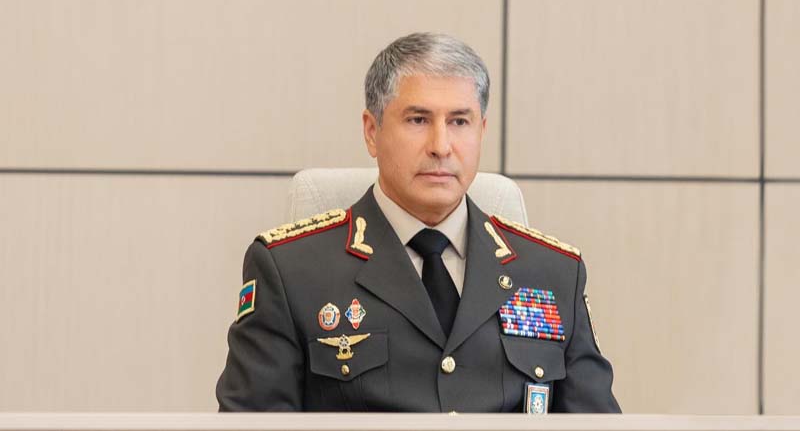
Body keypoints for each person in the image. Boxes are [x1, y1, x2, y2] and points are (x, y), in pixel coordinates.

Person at [216, 32, 621, 413]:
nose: (441, 146)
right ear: (372, 132)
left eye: (459, 121)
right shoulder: (291, 271)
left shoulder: (554, 273)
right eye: (418, 120)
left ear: (481, 132)